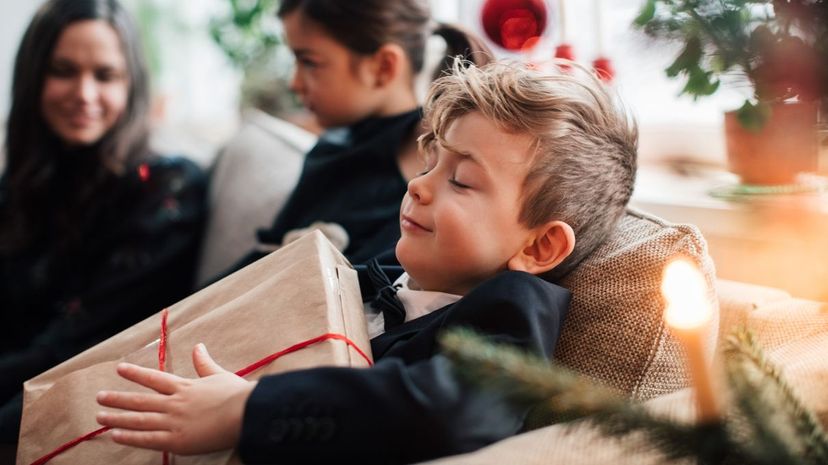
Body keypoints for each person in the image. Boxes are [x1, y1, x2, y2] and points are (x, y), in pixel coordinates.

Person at [96, 59, 638, 464]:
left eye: (462, 180)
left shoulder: (512, 308)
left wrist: (249, 408)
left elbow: (455, 411)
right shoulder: (382, 267)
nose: (419, 187)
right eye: (431, 161)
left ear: (539, 247)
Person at [0, 0, 206, 443]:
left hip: (63, 411)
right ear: (34, 77)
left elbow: (79, 345)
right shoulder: (20, 182)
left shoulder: (169, 188)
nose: (84, 93)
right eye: (63, 70)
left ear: (131, 86)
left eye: (105, 75)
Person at [224, 0, 492, 274]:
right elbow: (269, 256)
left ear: (383, 67)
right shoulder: (332, 149)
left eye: (309, 62)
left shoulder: (419, 182)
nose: (295, 83)